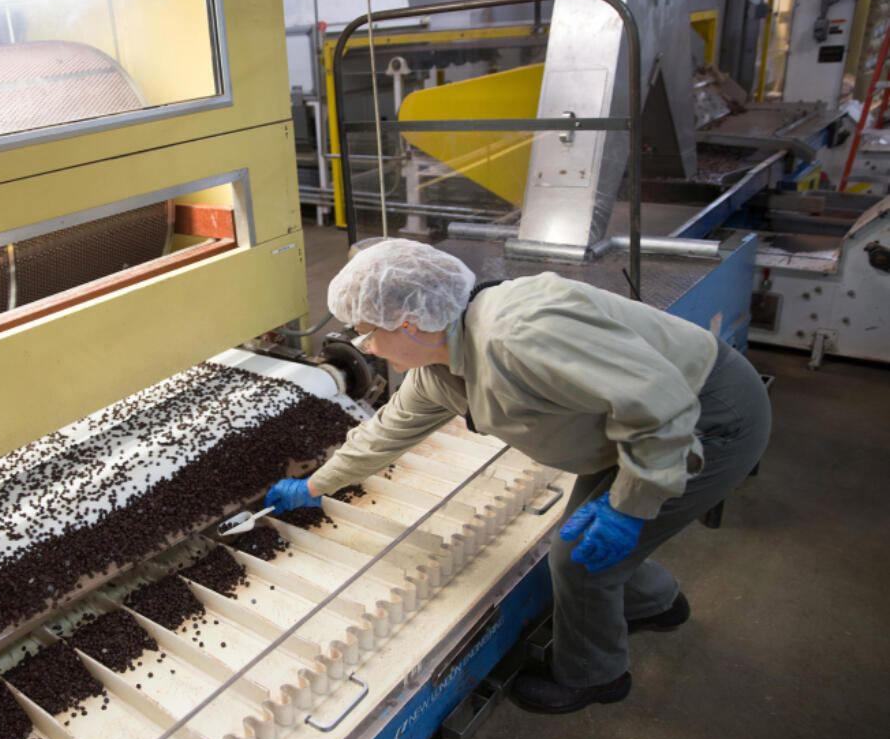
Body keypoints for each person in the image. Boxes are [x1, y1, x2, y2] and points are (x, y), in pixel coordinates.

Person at [264, 238, 771, 714]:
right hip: (635, 434)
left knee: (578, 561)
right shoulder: (439, 369)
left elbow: (663, 410)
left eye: (369, 331)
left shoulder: (521, 333)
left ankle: (597, 677)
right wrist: (312, 486)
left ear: (411, 323)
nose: (365, 346)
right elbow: (385, 435)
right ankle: (659, 605)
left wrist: (627, 509)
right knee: (588, 543)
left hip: (705, 423)